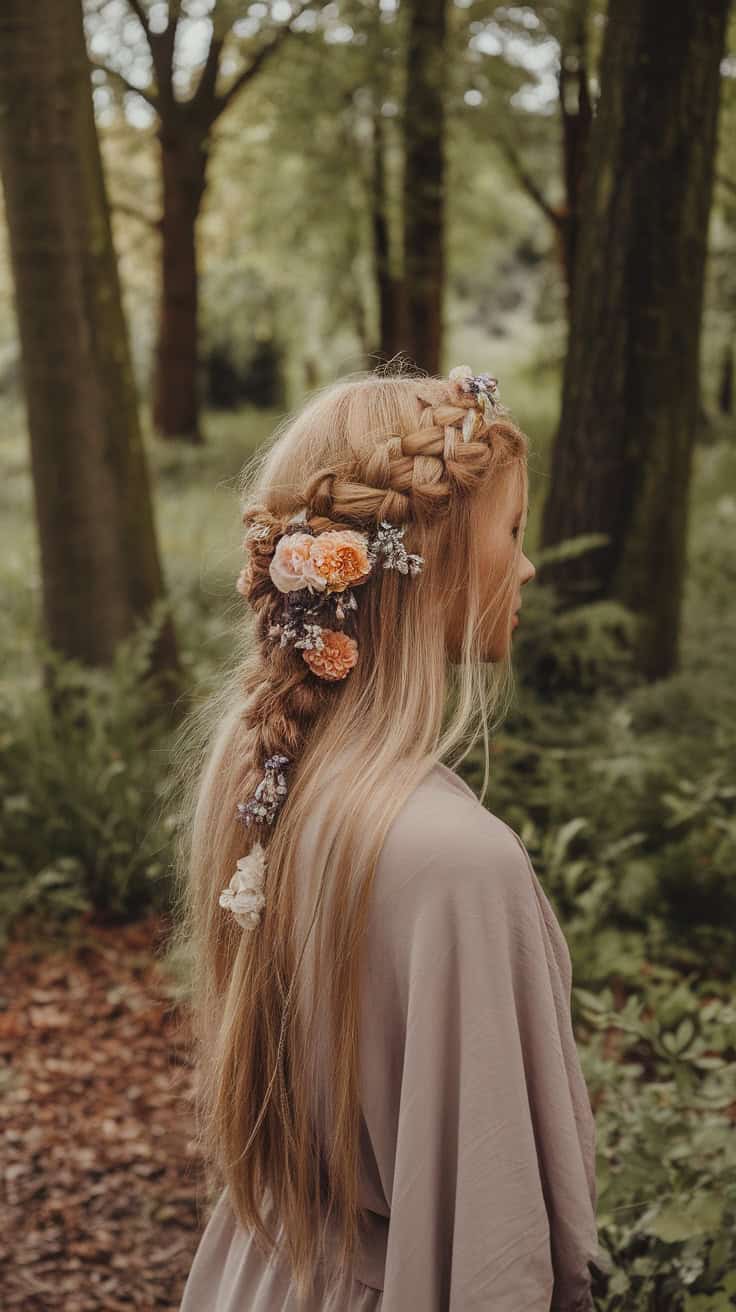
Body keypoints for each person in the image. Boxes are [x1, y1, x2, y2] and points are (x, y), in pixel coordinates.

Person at [173, 366, 603, 1311]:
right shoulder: (452, 859)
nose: (527, 568)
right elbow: (493, 1246)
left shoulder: (256, 774)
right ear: (434, 558)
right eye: (514, 534)